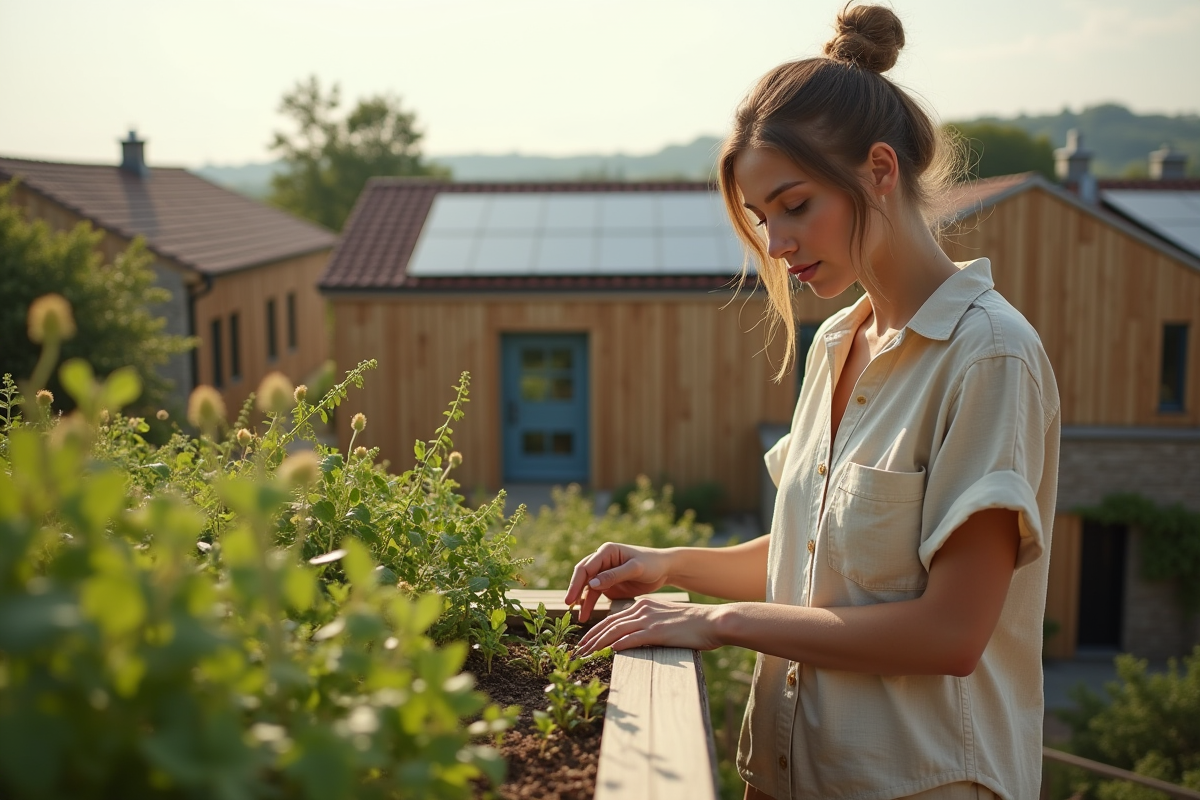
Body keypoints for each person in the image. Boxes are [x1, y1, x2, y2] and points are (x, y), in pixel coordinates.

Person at [565, 5, 1060, 800]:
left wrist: (715, 624)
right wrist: (668, 566)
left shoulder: (990, 356)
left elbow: (951, 632)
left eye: (795, 206)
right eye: (764, 219)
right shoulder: (835, 344)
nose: (778, 243)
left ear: (879, 170)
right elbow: (818, 559)